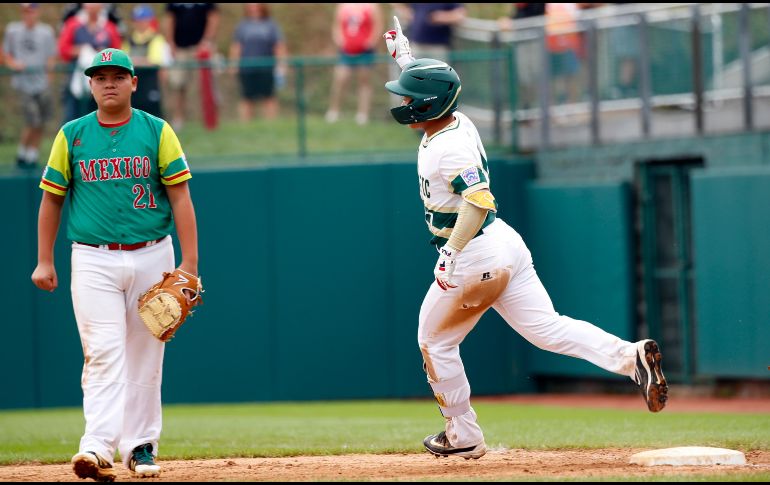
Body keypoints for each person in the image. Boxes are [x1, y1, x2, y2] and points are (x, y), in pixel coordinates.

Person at [382, 18, 668, 459]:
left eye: (408, 94)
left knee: (434, 341)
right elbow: (434, 84)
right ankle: (630, 358)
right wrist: (404, 56)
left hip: (474, 252)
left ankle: (463, 436)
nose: (402, 100)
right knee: (548, 329)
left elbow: (479, 200)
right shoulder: (452, 121)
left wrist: (450, 254)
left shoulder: (446, 147)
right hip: (504, 244)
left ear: (424, 106)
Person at [31, 48, 200, 480]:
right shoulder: (72, 135)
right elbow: (52, 199)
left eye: (117, 75)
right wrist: (43, 260)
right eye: (100, 76)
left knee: (145, 356)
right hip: (92, 258)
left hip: (152, 253)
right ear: (89, 85)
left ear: (133, 82)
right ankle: (96, 446)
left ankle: (141, 447)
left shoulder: (157, 131)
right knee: (103, 353)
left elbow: (180, 195)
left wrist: (190, 262)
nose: (109, 82)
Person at [2, 3, 57, 169]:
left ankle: (32, 155)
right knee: (32, 119)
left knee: (41, 120)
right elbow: (5, 55)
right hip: (23, 84)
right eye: (26, 11)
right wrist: (14, 64)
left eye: (32, 11)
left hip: (41, 84)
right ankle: (22, 154)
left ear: (37, 12)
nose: (29, 15)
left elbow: (51, 57)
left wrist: (49, 78)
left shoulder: (46, 32)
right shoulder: (13, 30)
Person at [58, 3, 122, 123]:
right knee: (73, 117)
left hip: (104, 81)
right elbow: (63, 50)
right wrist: (80, 50)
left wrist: (102, 53)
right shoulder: (73, 24)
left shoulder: (109, 27)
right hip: (76, 80)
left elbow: (118, 51)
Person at [324, 3, 383, 126]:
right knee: (340, 79)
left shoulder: (372, 6)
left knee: (364, 82)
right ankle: (334, 111)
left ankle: (363, 114)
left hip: (365, 51)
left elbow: (378, 25)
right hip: (346, 50)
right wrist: (340, 40)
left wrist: (371, 41)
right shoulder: (343, 6)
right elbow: (337, 25)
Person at [164, 3, 219, 130]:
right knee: (178, 84)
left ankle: (208, 121)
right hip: (180, 49)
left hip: (202, 49)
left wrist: (207, 41)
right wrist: (170, 43)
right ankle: (178, 119)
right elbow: (169, 18)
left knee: (206, 85)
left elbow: (213, 17)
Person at [228, 3, 287, 121]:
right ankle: (246, 124)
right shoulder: (243, 26)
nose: (253, 7)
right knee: (247, 98)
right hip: (247, 68)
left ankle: (272, 124)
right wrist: (233, 64)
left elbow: (279, 46)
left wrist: (282, 64)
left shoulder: (271, 25)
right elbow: (237, 46)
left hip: (266, 67)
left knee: (269, 97)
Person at [123, 5, 172, 118]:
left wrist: (134, 61)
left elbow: (154, 62)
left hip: (150, 84)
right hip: (133, 86)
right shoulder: (129, 40)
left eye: (143, 20)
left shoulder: (156, 39)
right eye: (137, 20)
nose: (140, 23)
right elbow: (124, 60)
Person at [392, 3, 466, 61]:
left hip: (437, 47)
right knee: (416, 75)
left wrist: (440, 17)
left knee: (437, 76)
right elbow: (410, 13)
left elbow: (460, 15)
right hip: (416, 45)